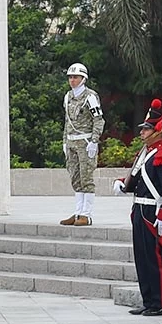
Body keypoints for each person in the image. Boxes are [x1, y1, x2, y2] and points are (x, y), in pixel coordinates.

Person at [114, 99, 162, 316]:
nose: (142, 133)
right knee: (142, 257)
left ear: (157, 131)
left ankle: (160, 303)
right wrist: (124, 184)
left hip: (153, 213)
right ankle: (148, 300)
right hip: (139, 210)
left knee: (155, 259)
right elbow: (141, 183)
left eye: (147, 129)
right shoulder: (144, 154)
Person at [60, 63, 105, 227]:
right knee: (75, 178)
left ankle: (86, 214)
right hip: (72, 142)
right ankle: (78, 212)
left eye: (75, 77)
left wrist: (94, 141)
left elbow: (98, 120)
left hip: (85, 143)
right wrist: (65, 141)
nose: (72, 80)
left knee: (86, 178)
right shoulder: (68, 97)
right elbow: (67, 122)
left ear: (83, 78)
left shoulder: (90, 96)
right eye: (70, 77)